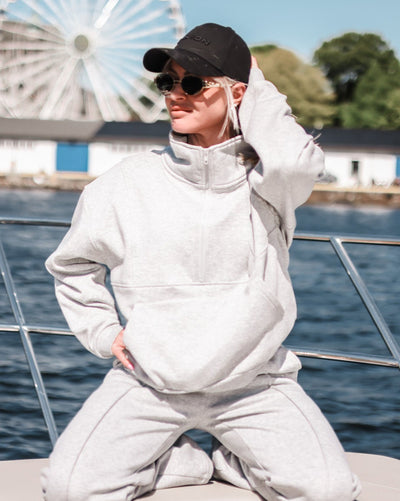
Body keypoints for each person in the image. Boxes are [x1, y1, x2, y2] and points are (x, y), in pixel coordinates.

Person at [41, 23, 361, 501]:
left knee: (329, 492)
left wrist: (257, 84)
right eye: (167, 82)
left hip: (253, 384)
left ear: (237, 94)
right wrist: (105, 333)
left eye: (192, 83)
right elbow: (73, 266)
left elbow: (294, 161)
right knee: (69, 489)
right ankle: (184, 463)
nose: (175, 94)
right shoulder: (123, 184)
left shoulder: (270, 185)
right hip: (150, 384)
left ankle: (234, 461)